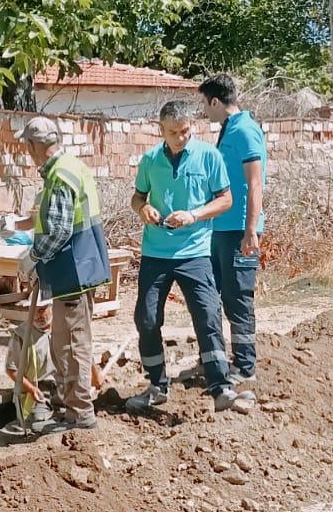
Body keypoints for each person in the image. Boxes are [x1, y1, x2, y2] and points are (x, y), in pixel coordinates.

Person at [126, 100, 255, 413]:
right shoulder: (150, 160)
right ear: (162, 130)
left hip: (195, 252)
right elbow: (137, 197)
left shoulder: (209, 156)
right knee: (146, 317)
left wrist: (194, 215)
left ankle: (221, 386)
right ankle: (157, 385)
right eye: (174, 132)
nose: (181, 137)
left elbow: (225, 199)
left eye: (185, 131)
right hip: (156, 252)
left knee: (208, 316)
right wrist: (144, 209)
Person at [2, 116, 111, 431]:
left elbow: (60, 230)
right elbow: (52, 223)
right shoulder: (68, 168)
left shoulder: (61, 175)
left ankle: (81, 413)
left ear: (35, 145)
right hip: (70, 271)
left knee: (74, 344)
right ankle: (67, 408)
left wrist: (33, 257)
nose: (28, 150)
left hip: (75, 271)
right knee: (62, 343)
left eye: (28, 145)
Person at [200, 74, 267, 384]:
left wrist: (251, 229)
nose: (204, 111)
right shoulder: (229, 130)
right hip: (221, 228)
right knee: (218, 295)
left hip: (239, 229)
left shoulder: (244, 131)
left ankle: (245, 367)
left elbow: (255, 183)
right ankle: (221, 361)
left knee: (238, 296)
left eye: (205, 104)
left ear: (216, 101)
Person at [4, 300, 105, 423]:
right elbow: (12, 369)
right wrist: (31, 389)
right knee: (38, 422)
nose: (37, 315)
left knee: (74, 418)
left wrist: (95, 374)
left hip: (65, 388)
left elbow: (83, 355)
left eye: (42, 310)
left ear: (53, 309)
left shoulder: (66, 329)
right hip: (40, 391)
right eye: (33, 310)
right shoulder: (21, 335)